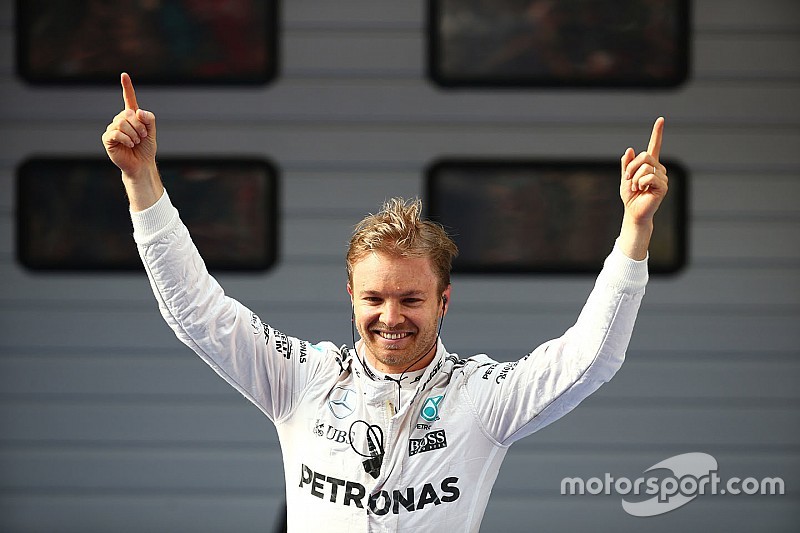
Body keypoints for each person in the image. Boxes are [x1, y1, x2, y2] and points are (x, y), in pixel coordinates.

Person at [102, 73, 668, 532]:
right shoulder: (302, 378)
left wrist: (634, 231)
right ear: (350, 296)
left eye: (411, 298)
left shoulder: (482, 396)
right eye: (374, 297)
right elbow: (197, 314)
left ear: (445, 300)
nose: (391, 317)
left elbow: (590, 359)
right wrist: (142, 181)